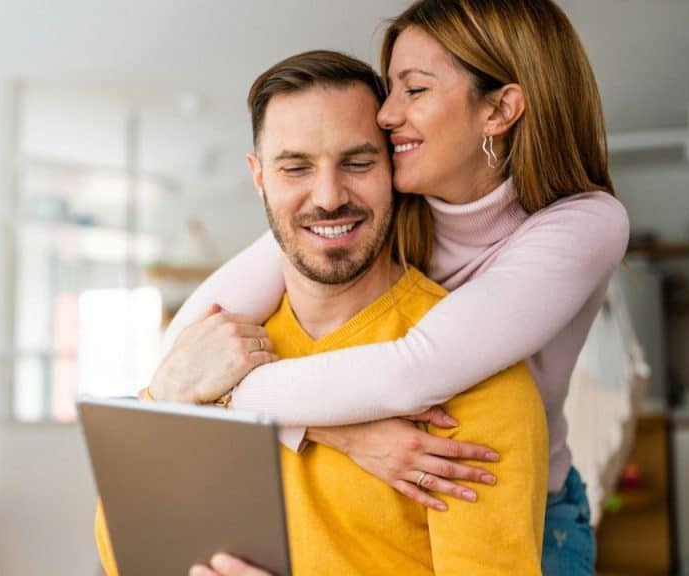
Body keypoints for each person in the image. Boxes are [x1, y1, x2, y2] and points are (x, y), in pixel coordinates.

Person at [157, 1, 628, 574]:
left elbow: (413, 371)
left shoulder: (583, 223)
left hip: (521, 499)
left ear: (500, 108)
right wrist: (340, 433)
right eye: (390, 90)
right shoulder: (387, 195)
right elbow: (189, 340)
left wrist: (221, 395)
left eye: (414, 90)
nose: (384, 115)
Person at [97, 49, 548, 576]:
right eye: (295, 168)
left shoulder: (476, 379)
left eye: (358, 163)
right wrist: (166, 397)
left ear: (394, 167)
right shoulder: (212, 360)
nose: (330, 197)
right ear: (259, 175)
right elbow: (130, 558)